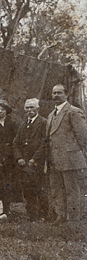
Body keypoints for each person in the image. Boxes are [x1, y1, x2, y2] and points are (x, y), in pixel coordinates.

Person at [46, 84, 87, 223]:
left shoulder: (73, 111)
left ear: (66, 95)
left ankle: (74, 219)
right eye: (54, 92)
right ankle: (61, 215)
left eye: (59, 92)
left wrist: (78, 153)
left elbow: (83, 136)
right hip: (54, 158)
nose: (56, 95)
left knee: (72, 189)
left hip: (70, 158)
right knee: (57, 189)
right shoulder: (51, 115)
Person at [12, 98, 49, 222]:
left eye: (32, 107)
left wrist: (34, 159)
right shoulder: (23, 124)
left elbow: (45, 143)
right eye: (27, 108)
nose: (29, 110)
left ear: (38, 109)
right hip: (25, 163)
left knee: (40, 188)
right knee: (27, 189)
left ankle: (44, 214)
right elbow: (16, 143)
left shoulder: (43, 123)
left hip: (38, 162)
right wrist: (19, 158)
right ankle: (32, 214)